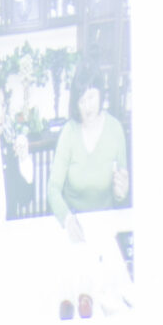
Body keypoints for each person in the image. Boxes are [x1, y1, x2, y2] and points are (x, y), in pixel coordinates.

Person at [51, 78, 131, 241]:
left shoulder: (115, 129)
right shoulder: (69, 132)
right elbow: (53, 188)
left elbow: (121, 193)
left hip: (106, 222)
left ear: (101, 94)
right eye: (81, 101)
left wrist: (121, 192)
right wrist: (67, 219)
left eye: (91, 97)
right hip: (74, 221)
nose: (87, 107)